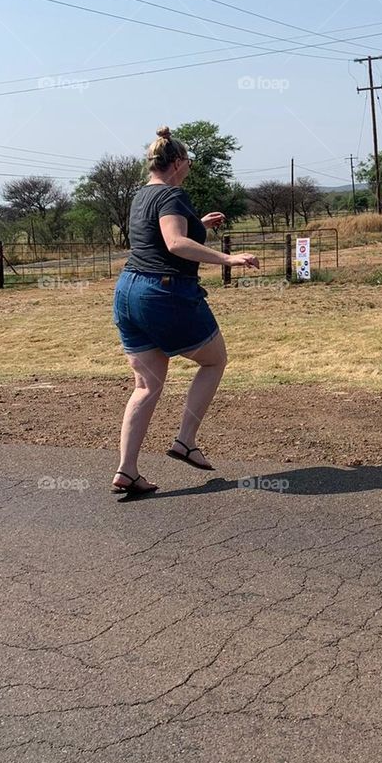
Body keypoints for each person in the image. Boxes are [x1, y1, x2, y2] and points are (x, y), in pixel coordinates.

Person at [111, 126, 258, 497]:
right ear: (176, 163)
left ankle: (127, 470)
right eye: (188, 161)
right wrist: (229, 258)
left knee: (146, 385)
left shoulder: (141, 195)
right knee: (214, 360)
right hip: (163, 293)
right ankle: (185, 441)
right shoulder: (173, 194)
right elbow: (175, 244)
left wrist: (199, 225)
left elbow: (158, 235)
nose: (189, 166)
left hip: (128, 290)